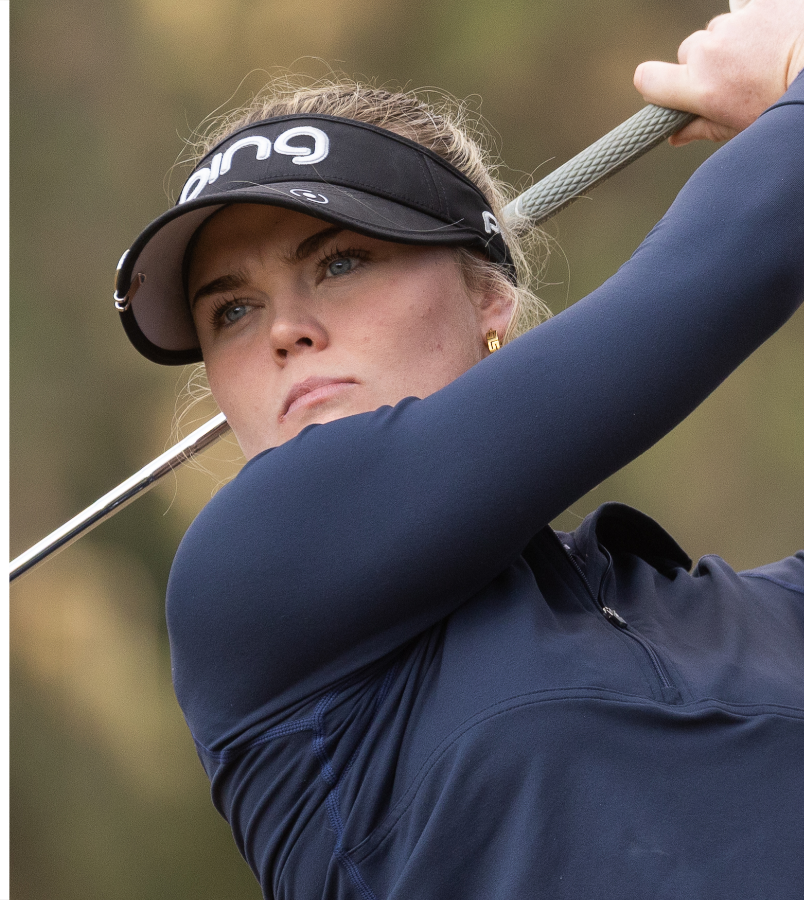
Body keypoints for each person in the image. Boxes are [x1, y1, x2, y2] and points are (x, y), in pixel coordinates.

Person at [110, 1, 804, 897]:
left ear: (488, 298)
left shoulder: (762, 616)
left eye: (341, 262)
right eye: (232, 310)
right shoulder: (246, 576)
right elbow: (712, 278)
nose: (285, 330)